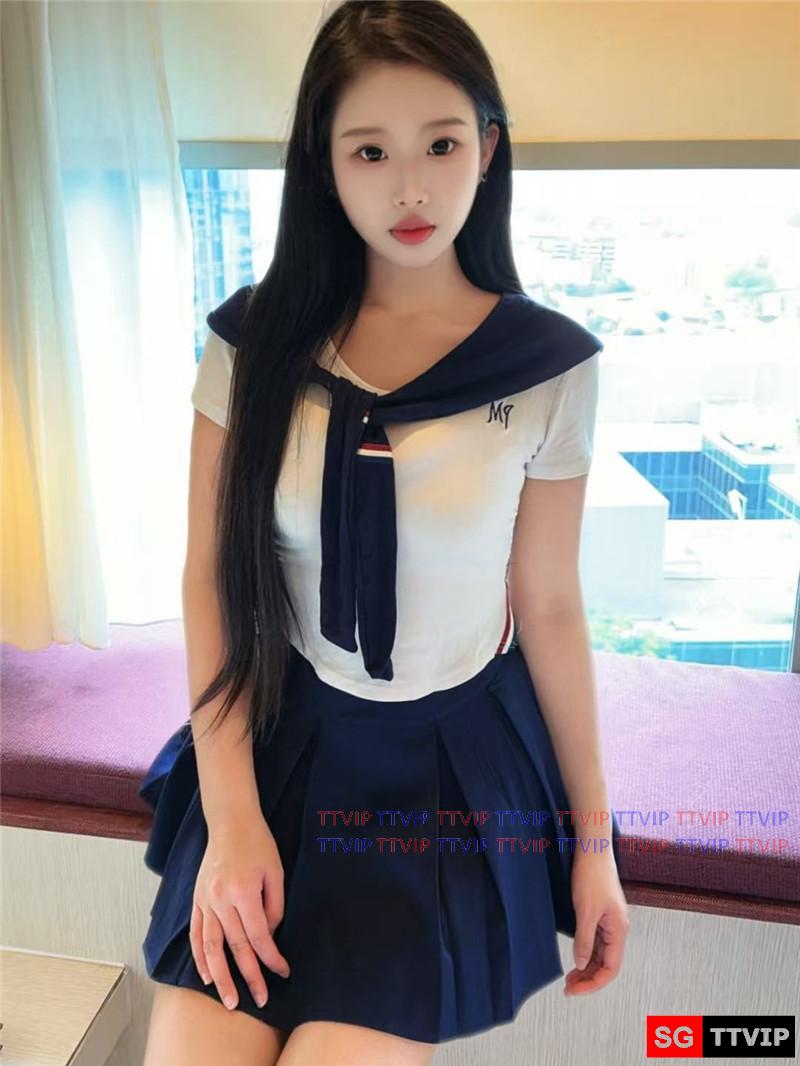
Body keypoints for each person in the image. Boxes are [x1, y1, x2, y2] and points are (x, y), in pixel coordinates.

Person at [139, 2, 630, 1063]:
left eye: (440, 145)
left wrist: (594, 843)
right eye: (369, 151)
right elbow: (211, 578)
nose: (410, 188)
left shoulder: (548, 368)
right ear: (324, 165)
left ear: (487, 148)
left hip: (442, 777)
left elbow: (548, 603)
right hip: (276, 753)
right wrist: (232, 821)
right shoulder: (252, 345)